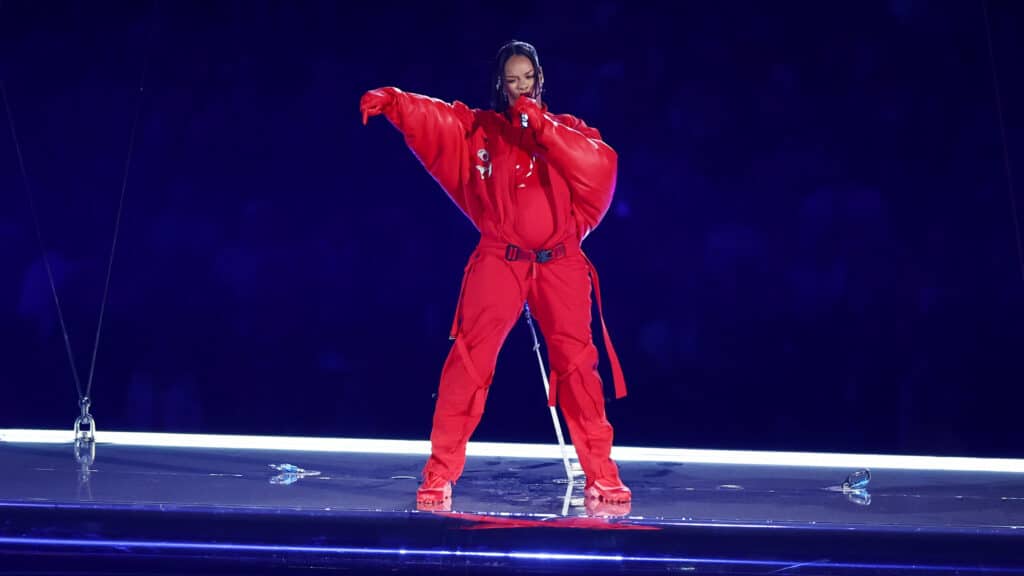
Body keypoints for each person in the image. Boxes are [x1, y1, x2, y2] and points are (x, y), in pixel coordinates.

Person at [360, 40, 631, 512]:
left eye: (528, 78)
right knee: (468, 362)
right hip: (500, 259)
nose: (521, 86)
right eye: (512, 80)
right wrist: (399, 103)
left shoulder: (568, 130)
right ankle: (439, 473)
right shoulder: (484, 131)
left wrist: (543, 128)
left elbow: (599, 163)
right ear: (501, 85)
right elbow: (441, 120)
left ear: (540, 80)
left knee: (577, 369)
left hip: (560, 262)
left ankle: (601, 473)